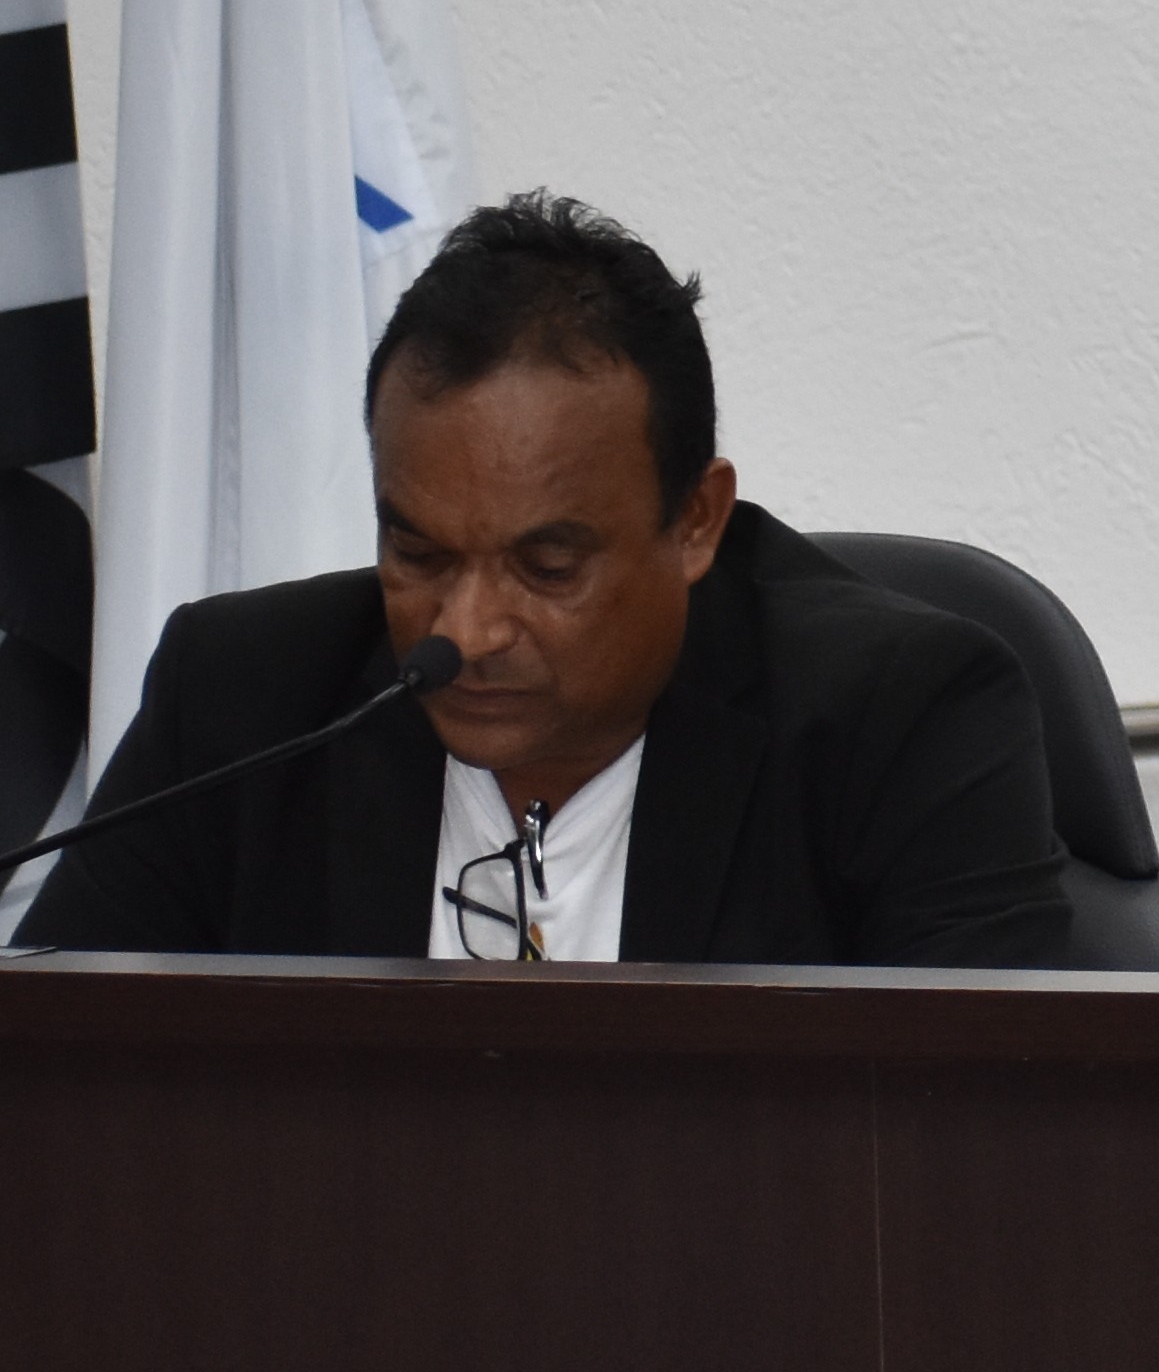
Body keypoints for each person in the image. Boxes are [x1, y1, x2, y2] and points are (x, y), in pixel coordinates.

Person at [16, 193, 1074, 966]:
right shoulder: (242, 705)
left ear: (696, 520)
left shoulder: (902, 720)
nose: (467, 629)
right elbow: (57, 1092)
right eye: (419, 555)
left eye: (546, 566)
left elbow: (977, 1153)